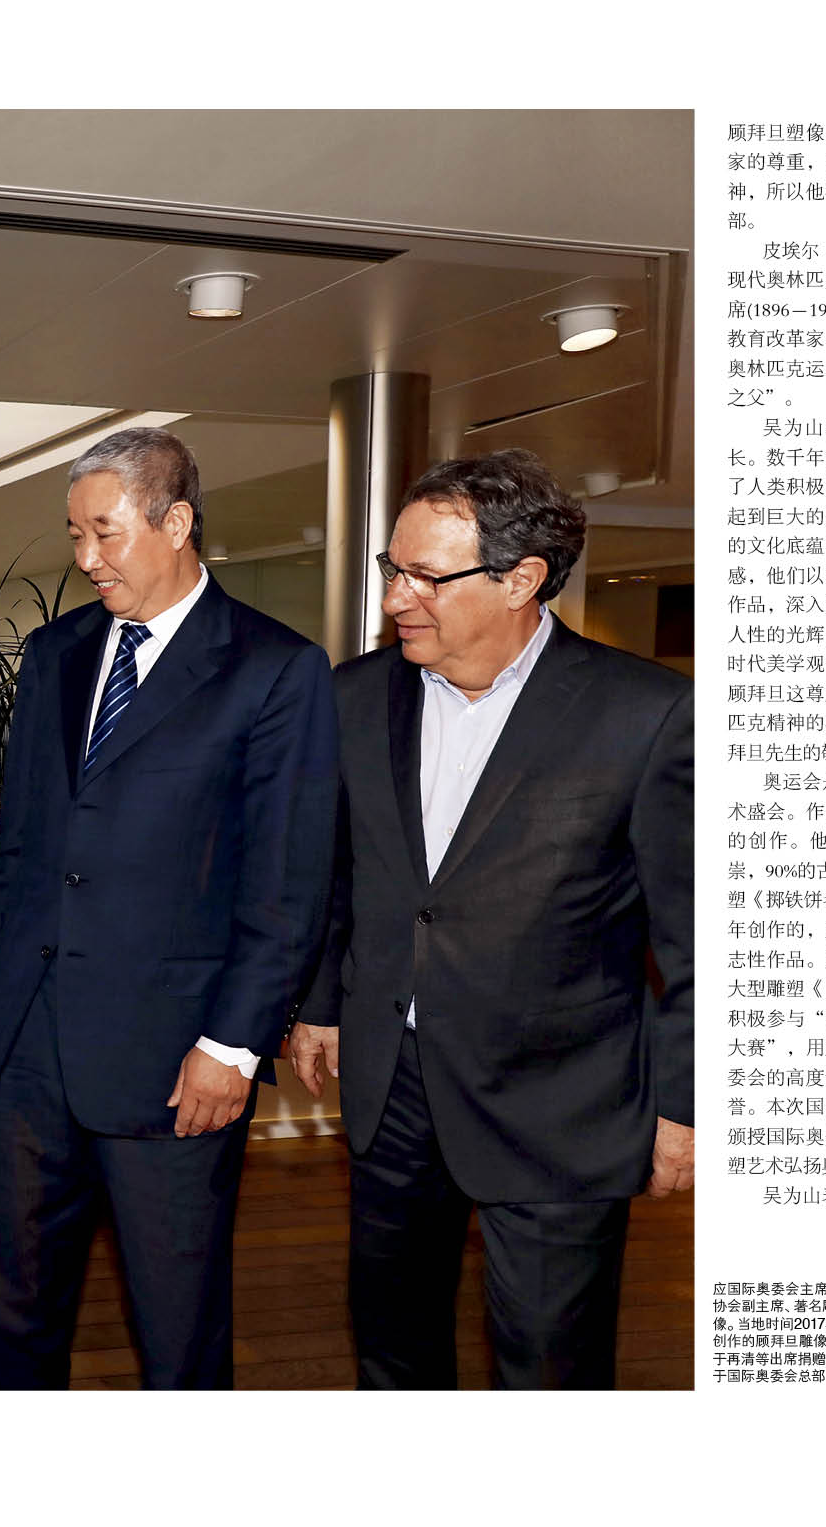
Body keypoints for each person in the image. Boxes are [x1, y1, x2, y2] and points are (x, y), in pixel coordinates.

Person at [290, 448, 693, 1390]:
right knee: (393, 1349)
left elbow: (699, 942)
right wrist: (323, 1004)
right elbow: (342, 875)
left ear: (521, 580)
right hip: (394, 1091)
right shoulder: (355, 697)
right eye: (392, 569)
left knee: (549, 1370)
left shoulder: (647, 713)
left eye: (425, 577)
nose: (396, 597)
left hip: (561, 1102)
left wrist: (684, 1108)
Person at [0, 427, 338, 1389]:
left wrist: (233, 1046)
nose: (87, 557)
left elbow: (286, 882)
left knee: (176, 1330)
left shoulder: (273, 667)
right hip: (35, 1047)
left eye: (106, 532)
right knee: (14, 1310)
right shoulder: (55, 652)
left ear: (176, 522)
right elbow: (23, 842)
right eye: (76, 535)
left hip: (176, 1061)